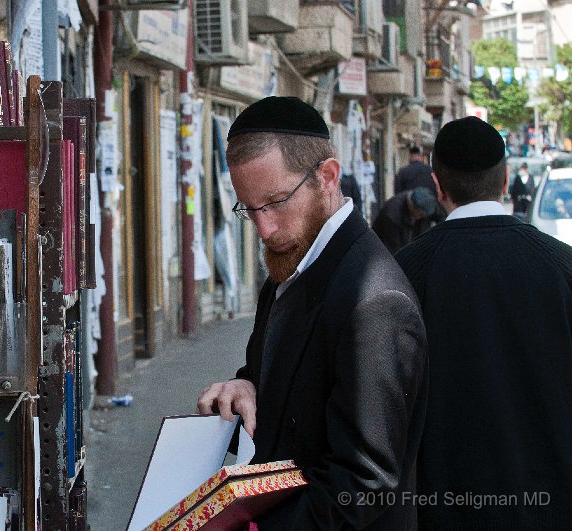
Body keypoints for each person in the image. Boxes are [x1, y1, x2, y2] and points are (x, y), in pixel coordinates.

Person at [196, 96, 428, 529]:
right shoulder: (294, 265)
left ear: (328, 176)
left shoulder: (375, 302)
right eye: (250, 209)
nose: (265, 229)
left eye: (277, 202)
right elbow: (283, 381)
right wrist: (245, 385)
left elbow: (362, 484)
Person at [395, 116, 572, 529]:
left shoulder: (402, 272)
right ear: (507, 180)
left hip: (443, 510)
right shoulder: (561, 266)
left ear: (438, 187)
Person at [372, 186, 438, 254]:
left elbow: (439, 216)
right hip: (383, 251)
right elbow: (394, 249)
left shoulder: (426, 202)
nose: (422, 217)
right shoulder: (393, 215)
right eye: (420, 214)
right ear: (411, 207)